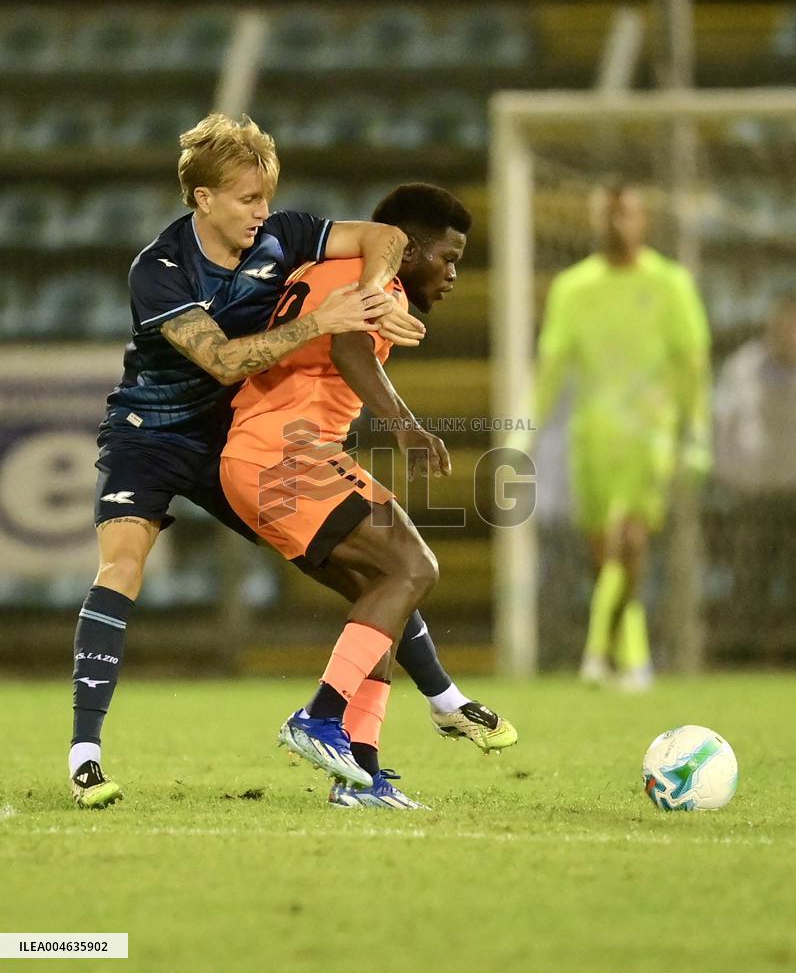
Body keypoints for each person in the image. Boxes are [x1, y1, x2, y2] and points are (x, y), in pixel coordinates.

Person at [69, 112, 426, 808]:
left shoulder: (284, 233)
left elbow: (387, 236)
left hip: (230, 444)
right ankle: (86, 753)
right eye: (247, 200)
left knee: (372, 575)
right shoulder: (160, 268)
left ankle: (368, 758)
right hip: (148, 434)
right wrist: (322, 321)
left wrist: (377, 292)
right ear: (203, 199)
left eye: (266, 196)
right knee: (121, 566)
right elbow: (225, 362)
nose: (263, 213)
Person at [221, 184, 518, 809]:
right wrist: (405, 423)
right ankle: (319, 716)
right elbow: (350, 344)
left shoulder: (332, 269)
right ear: (407, 252)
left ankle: (359, 773)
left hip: (260, 458)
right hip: (287, 453)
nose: (455, 274)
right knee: (413, 567)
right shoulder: (375, 283)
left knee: (382, 596)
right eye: (449, 257)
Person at [533, 180, 711, 690]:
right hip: (593, 439)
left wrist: (696, 432)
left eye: (627, 213)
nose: (618, 223)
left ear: (643, 220)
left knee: (629, 539)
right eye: (610, 214)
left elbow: (692, 364)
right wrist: (524, 431)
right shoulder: (574, 287)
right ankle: (633, 661)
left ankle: (595, 652)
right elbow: (551, 367)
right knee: (605, 557)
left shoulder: (671, 284)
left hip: (650, 435)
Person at [713, 294, 796, 638]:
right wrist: (730, 475)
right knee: (750, 581)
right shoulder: (742, 368)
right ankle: (742, 652)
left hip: (794, 494)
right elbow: (720, 427)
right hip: (754, 497)